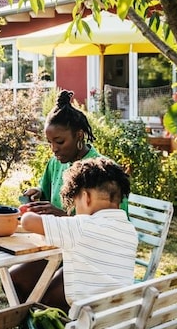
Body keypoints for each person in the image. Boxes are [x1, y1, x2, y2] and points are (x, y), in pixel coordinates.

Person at [11, 89, 127, 307]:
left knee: (48, 296)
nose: (54, 149)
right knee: (14, 279)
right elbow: (46, 193)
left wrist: (64, 216)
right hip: (56, 247)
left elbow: (115, 222)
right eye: (50, 143)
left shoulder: (101, 172)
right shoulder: (56, 163)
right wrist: (37, 193)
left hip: (87, 256)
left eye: (60, 141)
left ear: (79, 135)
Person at [19, 157, 139, 310]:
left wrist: (27, 211)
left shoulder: (80, 227)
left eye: (75, 202)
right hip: (118, 317)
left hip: (87, 323)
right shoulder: (129, 230)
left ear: (85, 197)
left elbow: (28, 221)